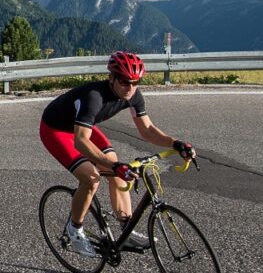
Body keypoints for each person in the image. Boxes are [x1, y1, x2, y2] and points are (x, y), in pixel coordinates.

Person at [37, 51, 196, 254]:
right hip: (56, 131)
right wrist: (113, 166)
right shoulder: (94, 97)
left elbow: (147, 130)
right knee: (91, 178)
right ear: (111, 77)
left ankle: (126, 231)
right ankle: (74, 230)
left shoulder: (133, 95)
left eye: (136, 82)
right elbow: (81, 141)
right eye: (124, 82)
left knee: (121, 175)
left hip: (82, 128)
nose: (130, 88)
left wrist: (176, 144)